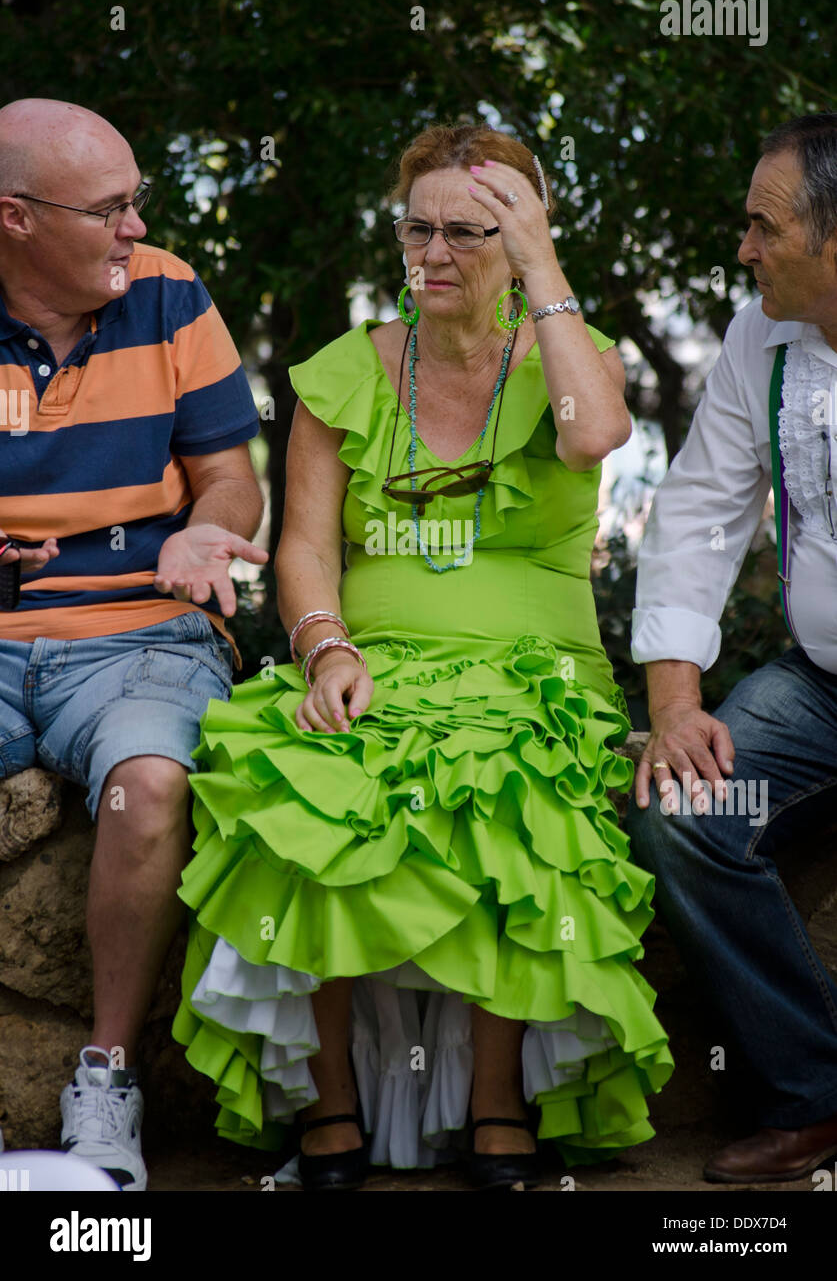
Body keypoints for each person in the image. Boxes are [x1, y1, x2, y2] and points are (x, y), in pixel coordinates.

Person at [173, 123, 673, 1191]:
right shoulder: (347, 371)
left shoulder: (568, 358)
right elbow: (305, 545)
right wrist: (325, 650)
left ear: (524, 234)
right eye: (418, 228)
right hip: (377, 655)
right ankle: (332, 1105)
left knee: (508, 777)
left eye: (467, 231)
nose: (434, 253)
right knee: (301, 780)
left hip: (534, 663)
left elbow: (593, 439)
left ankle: (499, 1104)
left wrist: (543, 270)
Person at [0, 98, 268, 1190]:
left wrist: (212, 527)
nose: (133, 227)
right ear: (14, 219)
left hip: (138, 632)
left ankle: (106, 1084)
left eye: (136, 201)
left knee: (151, 783)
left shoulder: (167, 291)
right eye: (108, 208)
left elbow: (230, 475)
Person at [626, 111, 837, 1183]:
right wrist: (672, 701)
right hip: (819, 689)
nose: (743, 247)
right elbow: (702, 514)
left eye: (763, 226)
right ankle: (814, 1093)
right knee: (686, 807)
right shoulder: (760, 339)